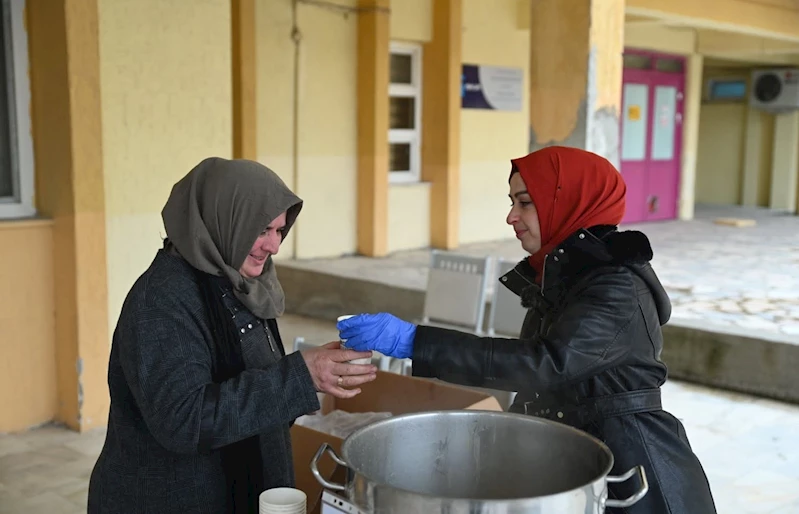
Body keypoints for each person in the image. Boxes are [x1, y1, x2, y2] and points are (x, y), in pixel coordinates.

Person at [337, 146, 717, 514]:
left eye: (526, 202)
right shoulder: (565, 275)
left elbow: (544, 364)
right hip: (574, 448)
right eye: (512, 201)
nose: (511, 216)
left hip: (631, 469)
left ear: (570, 201)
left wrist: (415, 342)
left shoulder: (614, 285)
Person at [88, 157, 377, 513]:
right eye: (261, 230)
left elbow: (256, 392)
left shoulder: (242, 285)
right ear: (223, 220)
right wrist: (298, 376)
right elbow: (184, 421)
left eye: (279, 231)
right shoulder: (162, 301)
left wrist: (311, 373)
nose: (273, 246)